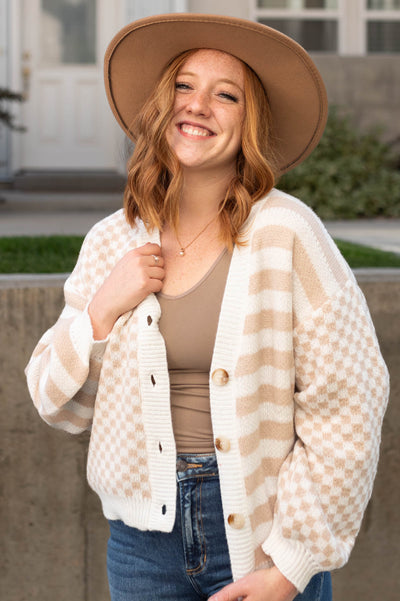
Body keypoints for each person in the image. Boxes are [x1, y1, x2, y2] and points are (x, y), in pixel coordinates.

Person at [25, 13, 389, 601]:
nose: (197, 106)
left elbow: (350, 399)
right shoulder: (112, 240)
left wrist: (291, 564)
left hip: (262, 532)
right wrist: (100, 310)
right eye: (183, 86)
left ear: (249, 124)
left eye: (226, 95)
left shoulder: (288, 233)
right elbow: (55, 404)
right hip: (142, 539)